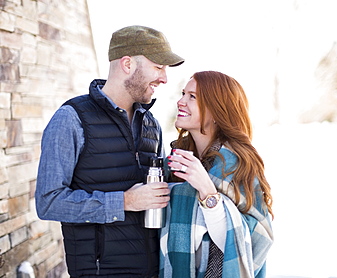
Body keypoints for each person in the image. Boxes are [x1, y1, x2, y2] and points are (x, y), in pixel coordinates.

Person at [35, 25, 184, 278]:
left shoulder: (152, 125)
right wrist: (125, 201)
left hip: (151, 270)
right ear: (127, 64)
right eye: (158, 67)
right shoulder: (71, 119)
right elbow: (48, 202)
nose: (164, 78)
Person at [160, 71, 274, 278]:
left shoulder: (238, 164)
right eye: (183, 93)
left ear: (216, 110)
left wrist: (206, 190)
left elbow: (252, 243)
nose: (180, 101)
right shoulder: (177, 160)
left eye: (192, 97)